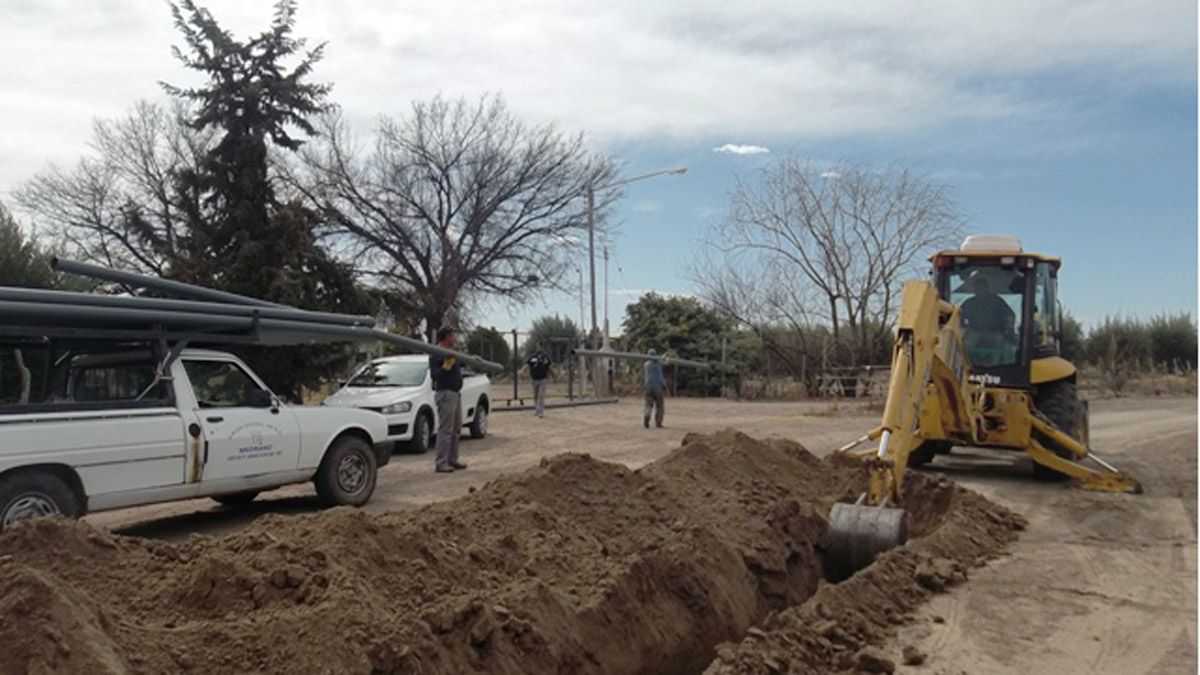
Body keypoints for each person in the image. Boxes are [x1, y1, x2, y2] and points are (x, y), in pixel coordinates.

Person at [430, 327, 467, 473]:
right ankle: (441, 462)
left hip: (455, 394)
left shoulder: (452, 353)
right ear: (447, 336)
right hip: (445, 394)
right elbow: (434, 375)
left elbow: (462, 363)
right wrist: (445, 368)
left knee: (456, 429)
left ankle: (452, 459)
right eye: (454, 335)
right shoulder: (437, 353)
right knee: (446, 429)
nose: (456, 338)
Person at [523, 341, 554, 418]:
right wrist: (523, 371)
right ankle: (536, 409)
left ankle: (541, 412)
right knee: (536, 395)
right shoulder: (533, 357)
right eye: (537, 346)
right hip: (534, 379)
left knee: (541, 395)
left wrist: (554, 377)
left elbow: (550, 368)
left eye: (540, 346)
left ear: (542, 348)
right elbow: (527, 365)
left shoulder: (545, 358)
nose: (539, 348)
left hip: (543, 379)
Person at [643, 349, 666, 428]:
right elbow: (666, 362)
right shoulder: (658, 363)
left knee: (648, 404)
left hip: (648, 387)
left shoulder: (646, 364)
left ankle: (647, 415)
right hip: (658, 387)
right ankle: (658, 423)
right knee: (660, 406)